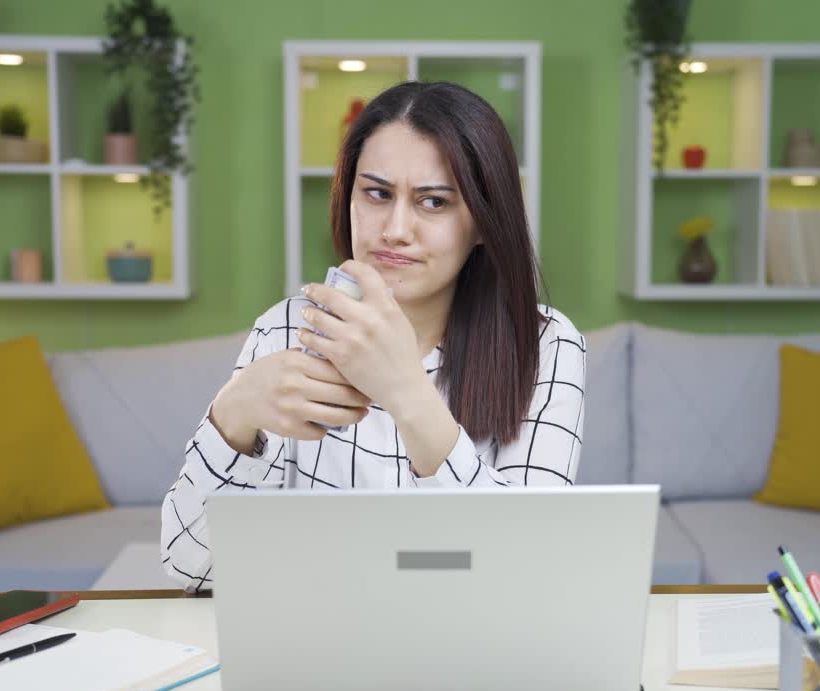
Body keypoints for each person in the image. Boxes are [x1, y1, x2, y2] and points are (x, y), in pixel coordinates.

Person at [161, 81, 586, 593]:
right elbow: (190, 569)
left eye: (433, 202)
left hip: (469, 656)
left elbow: (524, 577)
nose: (395, 229)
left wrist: (406, 392)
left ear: (481, 222)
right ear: (349, 199)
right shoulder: (284, 331)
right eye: (378, 194)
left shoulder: (546, 345)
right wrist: (234, 412)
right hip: (316, 650)